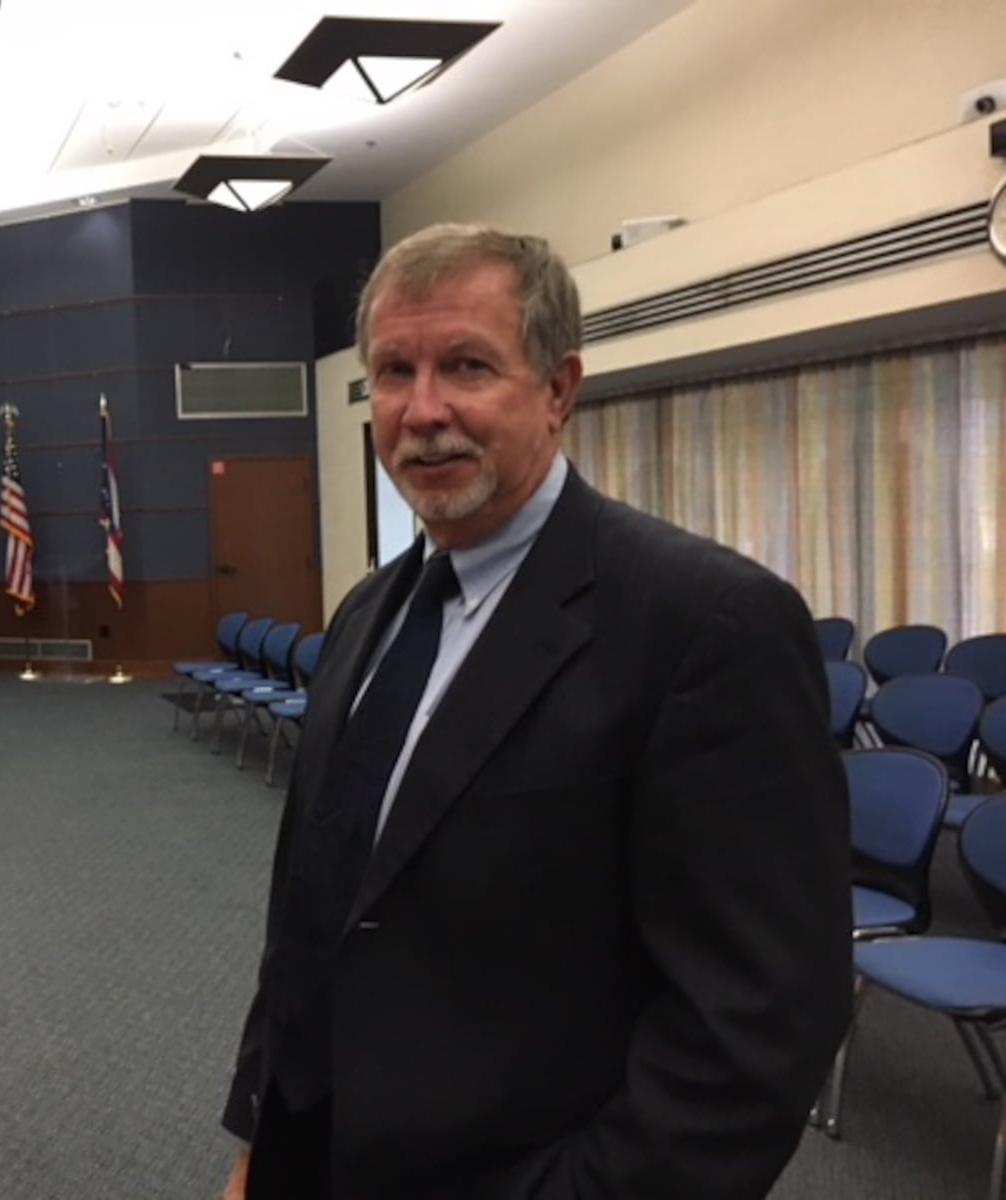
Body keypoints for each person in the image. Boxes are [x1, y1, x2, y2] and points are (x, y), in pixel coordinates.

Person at [220, 223, 852, 1200]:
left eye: (466, 366)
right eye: (393, 372)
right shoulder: (365, 612)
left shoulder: (705, 626)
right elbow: (314, 907)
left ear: (558, 390)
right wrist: (266, 1134)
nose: (421, 411)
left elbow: (755, 1029)